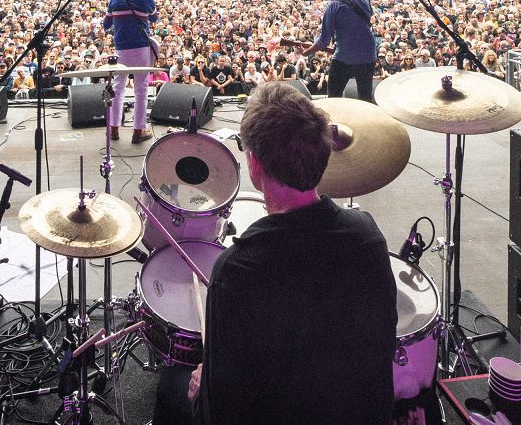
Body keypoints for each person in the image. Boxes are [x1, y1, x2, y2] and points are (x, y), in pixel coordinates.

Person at [159, 82, 396, 424]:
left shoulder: (238, 271)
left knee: (172, 385)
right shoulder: (368, 237)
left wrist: (200, 393)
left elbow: (220, 414)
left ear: (255, 166)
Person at [300, 0, 377, 102]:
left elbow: (324, 40)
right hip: (368, 56)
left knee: (333, 98)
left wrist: (307, 52)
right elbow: (369, 15)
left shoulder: (333, 5)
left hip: (345, 57)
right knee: (366, 98)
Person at [103, 0, 159, 143]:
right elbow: (154, 18)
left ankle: (113, 129)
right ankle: (138, 131)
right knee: (141, 89)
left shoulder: (114, 0)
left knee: (118, 87)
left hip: (120, 49)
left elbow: (106, 24)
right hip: (141, 47)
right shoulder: (147, 0)